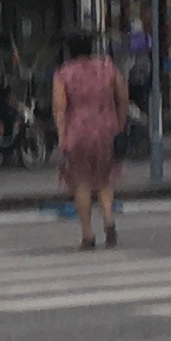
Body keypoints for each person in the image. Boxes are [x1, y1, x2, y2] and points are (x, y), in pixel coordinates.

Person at [50, 29, 129, 249]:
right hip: (106, 128)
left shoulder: (64, 73)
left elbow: (60, 108)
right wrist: (119, 125)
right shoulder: (108, 68)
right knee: (104, 179)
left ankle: (87, 234)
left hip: (77, 132)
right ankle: (108, 219)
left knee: (81, 182)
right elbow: (123, 98)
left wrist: (62, 138)